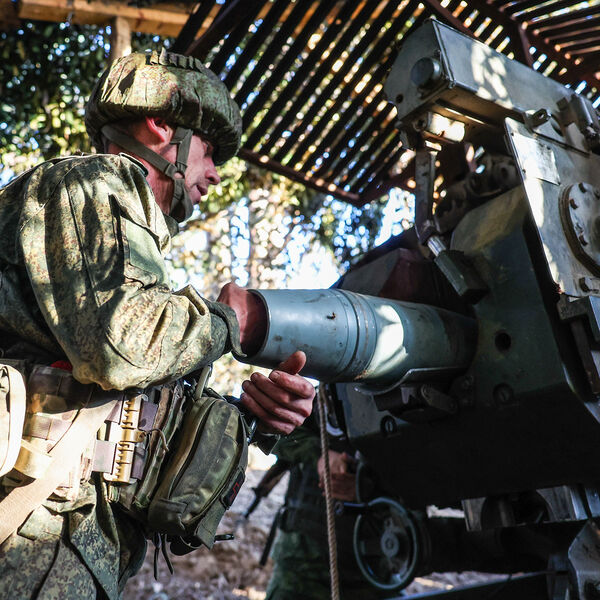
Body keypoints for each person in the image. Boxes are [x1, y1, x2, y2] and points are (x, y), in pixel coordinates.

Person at [0, 48, 314, 599]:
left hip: (66, 543)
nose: (214, 174)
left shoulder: (126, 243)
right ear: (161, 126)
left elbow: (129, 405)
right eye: (209, 151)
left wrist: (253, 417)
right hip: (29, 535)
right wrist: (231, 320)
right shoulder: (91, 184)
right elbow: (119, 348)